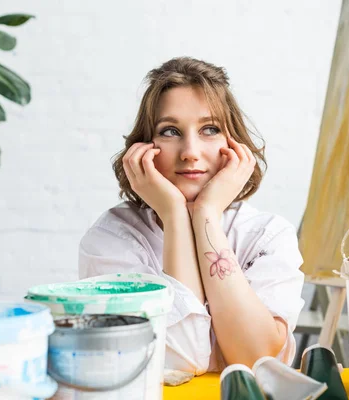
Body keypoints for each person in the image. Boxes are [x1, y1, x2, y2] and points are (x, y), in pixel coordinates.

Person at [79, 57, 304, 375]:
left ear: (233, 144)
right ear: (143, 147)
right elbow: (180, 361)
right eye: (170, 131)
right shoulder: (112, 240)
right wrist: (173, 216)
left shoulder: (268, 235)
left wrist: (207, 214)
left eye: (210, 129)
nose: (190, 152)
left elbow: (257, 361)